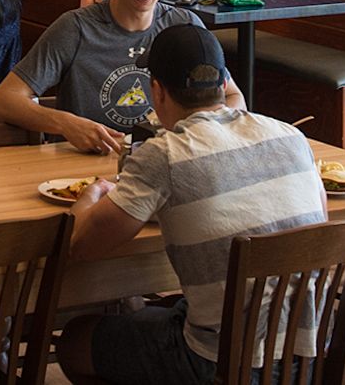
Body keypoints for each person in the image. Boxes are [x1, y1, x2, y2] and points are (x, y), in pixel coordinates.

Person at [55, 24, 328, 385]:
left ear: (157, 90)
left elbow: (80, 246)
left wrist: (91, 195)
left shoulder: (165, 154)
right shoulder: (292, 135)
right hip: (308, 358)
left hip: (221, 365)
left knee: (75, 340)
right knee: (164, 313)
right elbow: (320, 216)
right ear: (223, 83)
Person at [0, 0, 244, 155]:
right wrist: (65, 123)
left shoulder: (185, 25)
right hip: (87, 169)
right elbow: (1, 102)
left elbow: (233, 97)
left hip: (166, 164)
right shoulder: (76, 28)